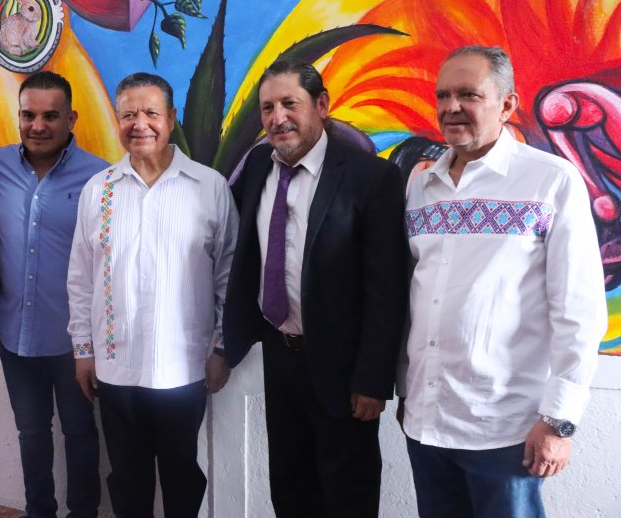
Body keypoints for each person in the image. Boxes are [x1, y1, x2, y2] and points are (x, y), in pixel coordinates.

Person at [399, 45, 607, 517]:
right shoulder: (421, 187)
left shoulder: (550, 181)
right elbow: (413, 294)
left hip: (507, 430)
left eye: (468, 94)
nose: (451, 107)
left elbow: (579, 310)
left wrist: (560, 421)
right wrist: (406, 390)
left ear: (507, 104)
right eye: (443, 95)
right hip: (427, 423)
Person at [221, 60, 409, 517]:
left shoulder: (371, 177)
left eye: (290, 103)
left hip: (345, 370)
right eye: (268, 107)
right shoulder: (257, 171)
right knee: (290, 491)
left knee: (347, 498)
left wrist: (373, 380)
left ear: (321, 105)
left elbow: (387, 288)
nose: (277, 117)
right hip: (280, 357)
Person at [67, 72, 238, 518]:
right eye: (128, 114)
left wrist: (221, 349)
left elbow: (228, 277)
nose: (139, 124)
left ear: (171, 118)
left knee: (182, 474)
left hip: (183, 368)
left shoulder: (208, 187)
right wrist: (83, 351)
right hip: (115, 368)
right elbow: (80, 278)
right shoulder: (99, 190)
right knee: (127, 477)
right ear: (117, 120)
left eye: (151, 113)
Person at [0, 71, 107, 518]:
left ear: (71, 119)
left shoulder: (99, 177)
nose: (38, 126)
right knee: (31, 434)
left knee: (80, 432)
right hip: (16, 336)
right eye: (28, 115)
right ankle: (39, 512)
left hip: (75, 341)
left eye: (50, 116)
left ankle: (84, 513)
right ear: (18, 116)